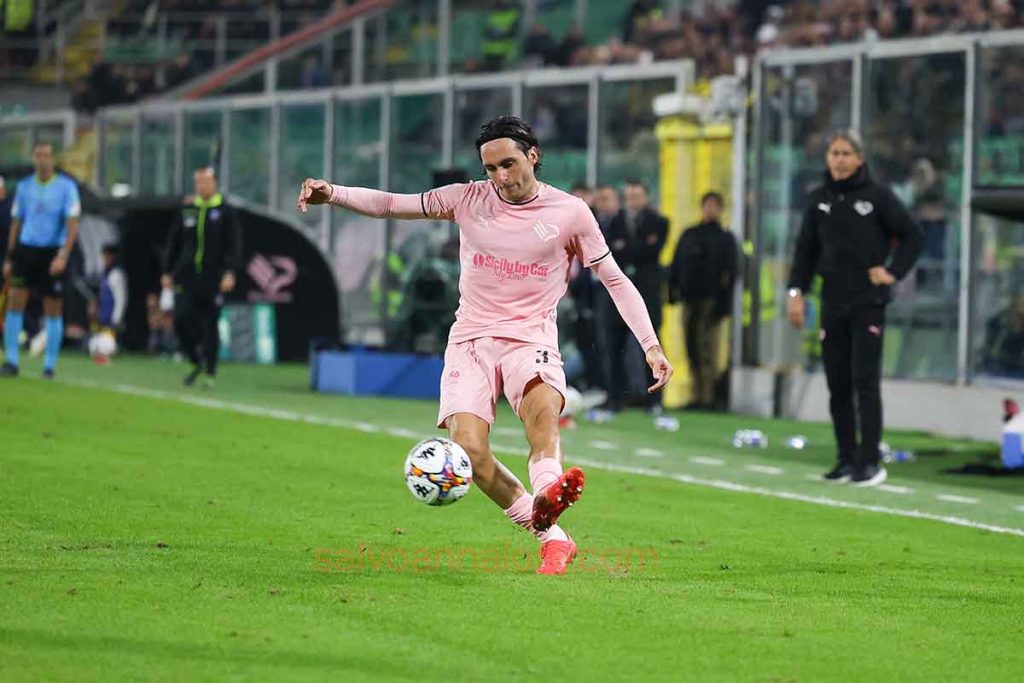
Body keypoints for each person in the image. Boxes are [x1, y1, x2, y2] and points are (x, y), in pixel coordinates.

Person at [297, 116, 673, 575]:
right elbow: (392, 204)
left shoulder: (570, 212)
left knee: (542, 419)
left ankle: (548, 492)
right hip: (471, 341)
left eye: (508, 164)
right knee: (470, 452)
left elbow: (614, 279)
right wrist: (333, 193)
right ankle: (552, 536)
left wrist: (651, 346)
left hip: (530, 339)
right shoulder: (467, 198)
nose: (500, 177)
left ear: (532, 155)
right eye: (490, 168)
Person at [787, 129, 923, 487]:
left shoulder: (878, 197)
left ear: (859, 159)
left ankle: (870, 461)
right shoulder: (818, 199)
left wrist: (892, 272)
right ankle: (846, 458)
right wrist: (795, 293)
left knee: (865, 381)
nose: (840, 159)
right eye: (834, 153)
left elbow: (913, 235)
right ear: (827, 158)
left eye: (846, 153)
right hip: (831, 300)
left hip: (867, 301)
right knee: (838, 382)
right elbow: (805, 251)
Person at [2, 143, 81, 379]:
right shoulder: (24, 187)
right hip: (27, 250)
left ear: (52, 159)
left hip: (52, 252)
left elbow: (72, 223)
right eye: (38, 155)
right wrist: (10, 256)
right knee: (15, 301)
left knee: (53, 307)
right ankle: (11, 361)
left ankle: (49, 365)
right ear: (33, 158)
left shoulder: (66, 187)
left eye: (46, 155)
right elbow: (17, 221)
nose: (42, 160)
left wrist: (63, 254)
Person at [162, 167, 241, 389]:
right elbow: (174, 242)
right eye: (199, 183)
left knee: (210, 325)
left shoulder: (225, 211)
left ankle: (210, 371)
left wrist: (230, 272)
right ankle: (196, 361)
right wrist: (167, 271)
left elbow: (233, 244)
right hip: (187, 276)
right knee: (181, 319)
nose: (202, 187)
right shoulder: (188, 210)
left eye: (206, 182)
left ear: (214, 183)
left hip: (213, 278)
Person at [596, 180, 668, 415]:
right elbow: (610, 251)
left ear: (646, 197)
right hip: (617, 296)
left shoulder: (659, 222)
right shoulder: (613, 222)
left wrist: (625, 247)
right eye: (629, 196)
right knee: (613, 348)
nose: (632, 201)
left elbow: (649, 252)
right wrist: (635, 248)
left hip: (647, 294)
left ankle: (654, 400)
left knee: (651, 346)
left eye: (637, 196)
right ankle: (615, 398)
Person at [668, 191, 737, 411]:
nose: (710, 210)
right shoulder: (690, 234)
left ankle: (708, 396)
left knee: (707, 349)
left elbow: (731, 274)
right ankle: (696, 394)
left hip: (711, 302)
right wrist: (673, 290)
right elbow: (676, 264)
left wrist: (724, 304)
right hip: (689, 299)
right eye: (707, 205)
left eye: (714, 206)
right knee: (691, 348)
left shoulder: (725, 239)